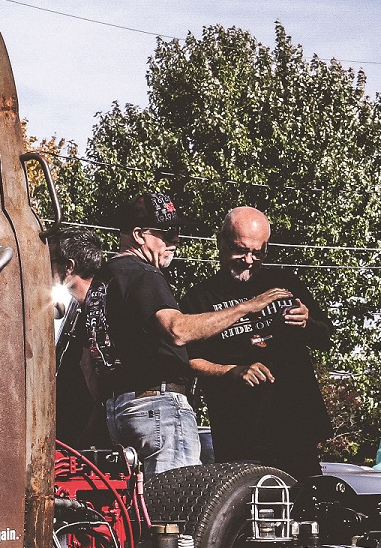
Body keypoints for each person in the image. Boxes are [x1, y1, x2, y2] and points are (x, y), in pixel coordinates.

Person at [83, 191, 291, 475]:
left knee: (140, 514)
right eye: (167, 234)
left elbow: (88, 361)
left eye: (177, 233)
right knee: (174, 510)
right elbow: (177, 330)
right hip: (158, 410)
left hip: (118, 411)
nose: (175, 241)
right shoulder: (144, 274)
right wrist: (246, 307)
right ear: (139, 234)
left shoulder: (102, 282)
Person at [183, 206, 332, 477]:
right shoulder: (199, 298)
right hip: (240, 432)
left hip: (295, 425)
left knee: (304, 509)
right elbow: (187, 360)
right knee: (251, 512)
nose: (249, 260)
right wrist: (232, 371)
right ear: (220, 242)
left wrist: (307, 322)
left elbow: (325, 337)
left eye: (258, 253)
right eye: (240, 250)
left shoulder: (285, 282)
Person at [50, 229, 107, 445]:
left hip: (88, 431)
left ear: (69, 266)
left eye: (51, 260)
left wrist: (83, 436)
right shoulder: (81, 307)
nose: (45, 267)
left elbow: (96, 379)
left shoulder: (102, 308)